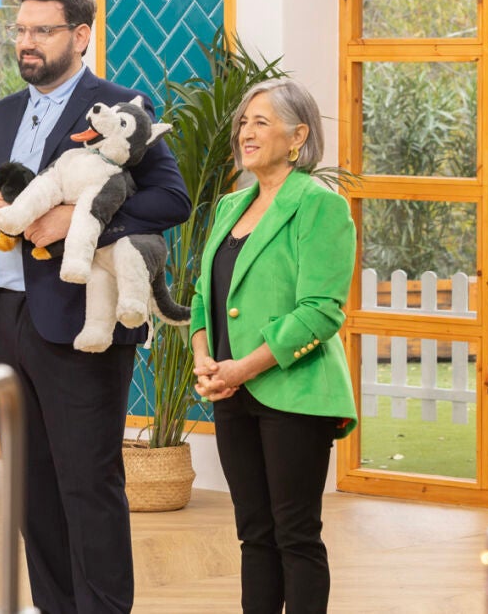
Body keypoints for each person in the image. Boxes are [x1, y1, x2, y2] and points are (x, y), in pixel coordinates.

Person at [0, 0, 190, 614]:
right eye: (21, 30)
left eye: (42, 30)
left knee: (87, 482)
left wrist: (79, 219)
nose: (26, 42)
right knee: (30, 488)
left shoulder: (118, 106)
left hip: (85, 321)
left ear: (80, 36)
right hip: (7, 321)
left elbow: (171, 198)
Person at [190, 78, 357, 613]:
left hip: (296, 394)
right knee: (254, 533)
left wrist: (244, 367)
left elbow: (320, 311)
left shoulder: (320, 205)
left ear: (298, 136)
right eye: (244, 122)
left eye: (261, 122)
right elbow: (203, 296)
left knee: (296, 535)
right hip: (231, 394)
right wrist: (204, 358)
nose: (246, 132)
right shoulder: (229, 206)